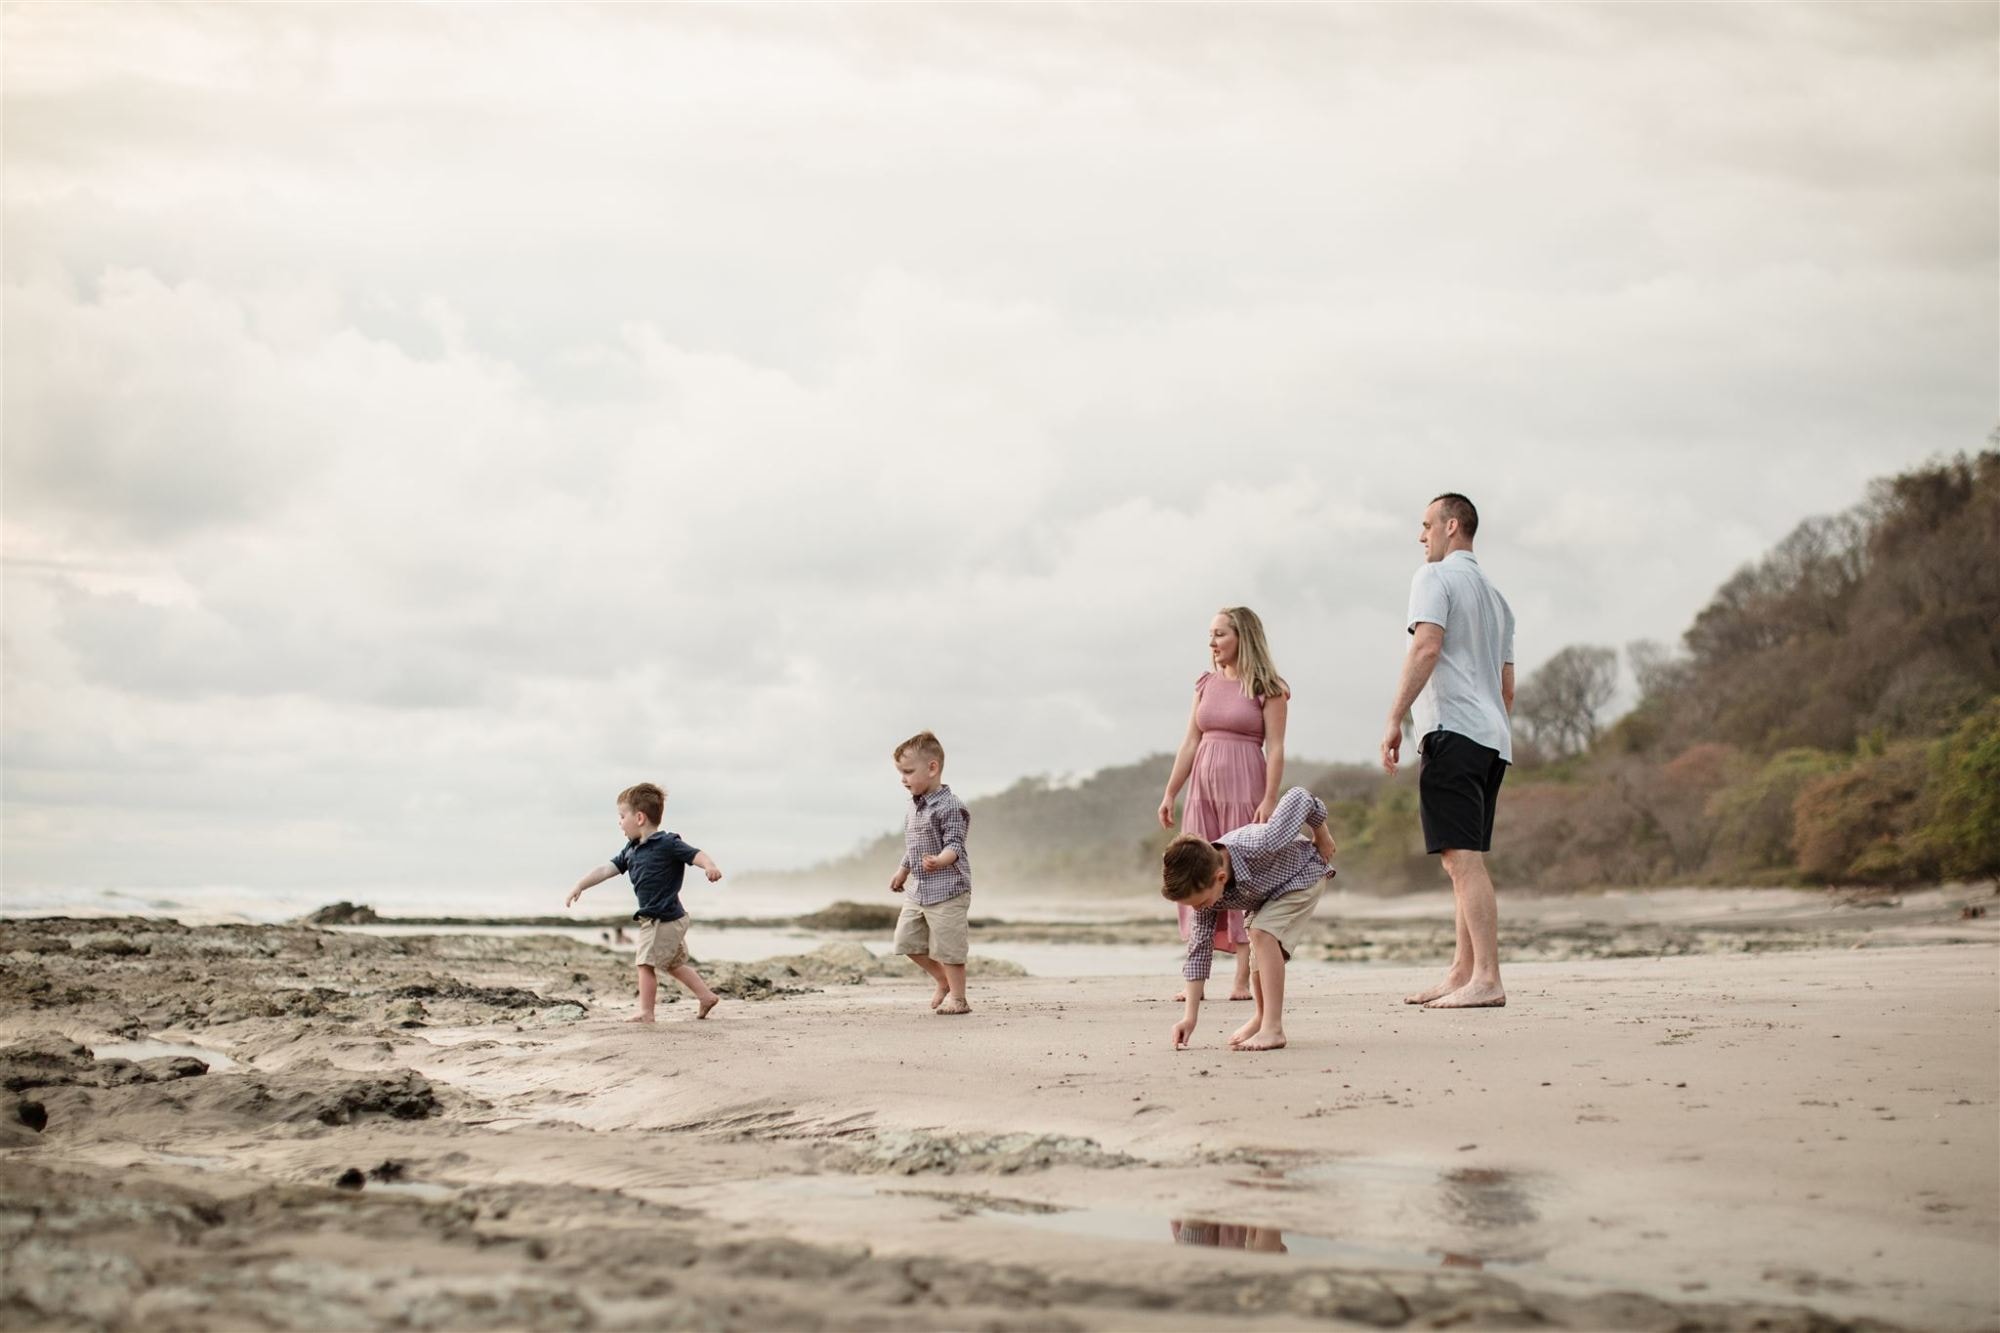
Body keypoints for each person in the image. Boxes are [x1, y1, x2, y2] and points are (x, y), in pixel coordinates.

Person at [1379, 492, 1516, 1010]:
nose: (1421, 536)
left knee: (1461, 861)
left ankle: (1486, 977)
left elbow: (1427, 646)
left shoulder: (1433, 579)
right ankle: (1463, 970)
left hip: (1453, 731)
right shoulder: (1498, 599)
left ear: (1451, 526)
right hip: (1492, 738)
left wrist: (1395, 717)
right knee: (1467, 858)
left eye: (1426, 525)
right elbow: (1507, 689)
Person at [1157, 607, 1292, 1003]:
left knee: (1239, 873)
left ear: (1242, 637)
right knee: (1199, 868)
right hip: (1203, 786)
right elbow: (1190, 742)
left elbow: (1278, 747)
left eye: (1219, 634)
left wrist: (1270, 799)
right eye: (1210, 635)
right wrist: (1170, 792)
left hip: (1246, 782)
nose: (1212, 642)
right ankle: (1195, 978)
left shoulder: (1269, 686)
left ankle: (1242, 979)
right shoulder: (1206, 683)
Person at [1161, 786, 1336, 1052]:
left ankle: (1273, 1028)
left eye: (1201, 902)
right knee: (1257, 954)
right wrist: (1189, 1017)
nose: (1200, 909)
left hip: (1303, 875)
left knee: (1261, 933)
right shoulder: (1208, 894)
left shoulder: (1260, 843)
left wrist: (1321, 834)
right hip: (1268, 894)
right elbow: (1199, 951)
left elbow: (1300, 796)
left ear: (1219, 878)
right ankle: (1261, 1017)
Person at [563, 781, 724, 1023]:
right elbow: (605, 869)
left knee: (644, 963)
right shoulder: (631, 850)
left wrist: (709, 866)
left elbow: (695, 854)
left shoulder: (668, 843)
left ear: (639, 817)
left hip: (664, 918)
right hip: (664, 917)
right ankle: (706, 996)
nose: (619, 822)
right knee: (673, 964)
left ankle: (647, 1012)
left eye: (622, 816)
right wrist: (580, 885)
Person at [889, 730, 974, 1016]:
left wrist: (940, 860)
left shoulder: (951, 806)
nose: (903, 779)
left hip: (949, 889)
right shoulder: (914, 809)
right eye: (901, 772)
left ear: (932, 767)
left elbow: (955, 845)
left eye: (909, 772)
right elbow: (913, 846)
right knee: (906, 941)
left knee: (950, 948)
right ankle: (941, 980)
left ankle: (959, 999)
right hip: (920, 891)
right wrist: (903, 871)